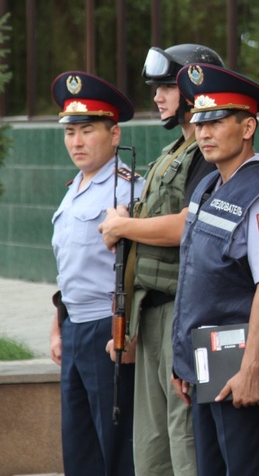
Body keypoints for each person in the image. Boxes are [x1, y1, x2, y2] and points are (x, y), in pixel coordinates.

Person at [98, 43, 223, 475]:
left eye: (168, 86)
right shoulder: (174, 151)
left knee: (183, 438)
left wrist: (123, 227)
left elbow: (190, 224)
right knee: (151, 450)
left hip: (181, 310)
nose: (158, 96)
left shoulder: (206, 156)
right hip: (151, 311)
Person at [170, 63, 259, 475]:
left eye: (217, 121)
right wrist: (183, 362)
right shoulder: (210, 185)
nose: (203, 132)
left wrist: (250, 369)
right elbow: (194, 277)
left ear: (247, 128)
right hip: (205, 366)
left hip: (238, 369)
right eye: (199, 121)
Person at [49, 71, 142, 476]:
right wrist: (57, 326)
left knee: (116, 445)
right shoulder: (75, 188)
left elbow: (140, 271)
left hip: (109, 328)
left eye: (87, 131)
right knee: (80, 445)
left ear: (114, 134)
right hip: (74, 328)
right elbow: (68, 267)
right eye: (70, 132)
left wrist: (132, 333)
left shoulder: (129, 190)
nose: (77, 142)